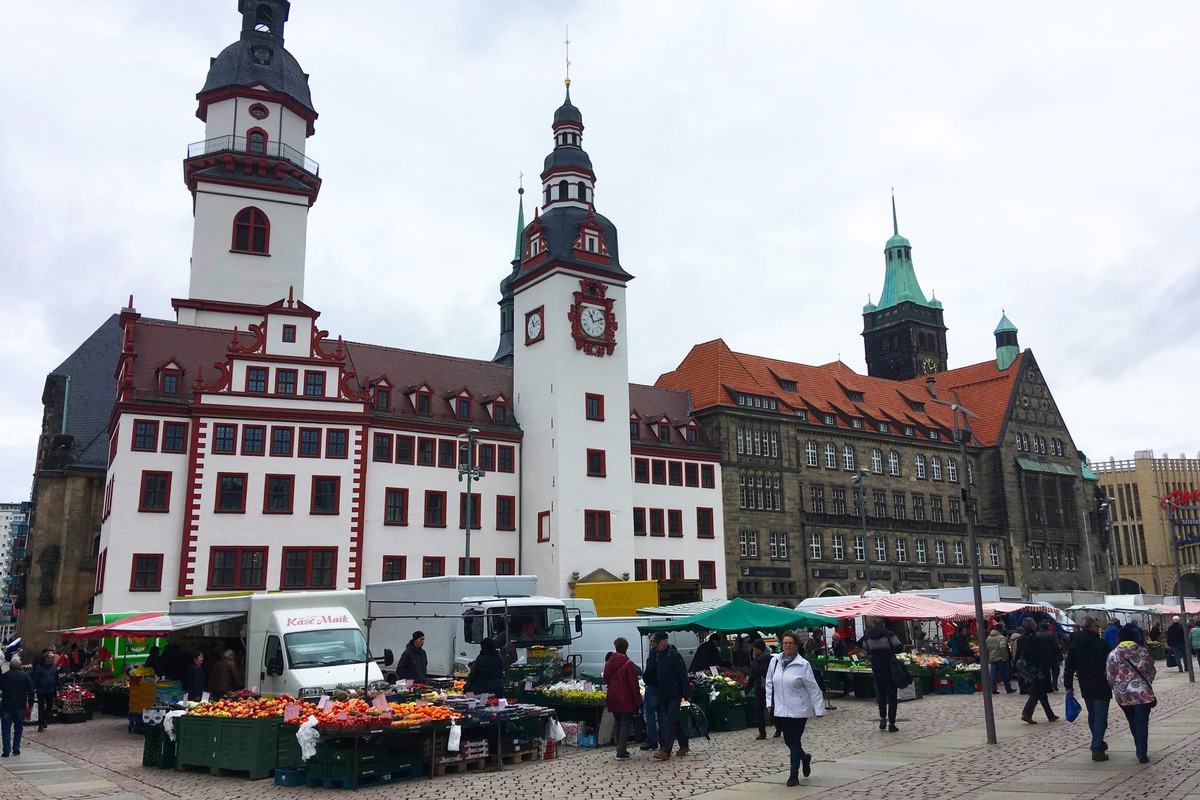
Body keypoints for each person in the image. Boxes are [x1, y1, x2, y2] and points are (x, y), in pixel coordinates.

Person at [765, 630, 826, 786]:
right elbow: (769, 682)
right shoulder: (775, 661)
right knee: (788, 740)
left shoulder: (803, 664)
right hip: (781, 708)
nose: (788, 646)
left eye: (791, 643)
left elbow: (813, 687)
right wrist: (769, 703)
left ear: (796, 646)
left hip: (799, 709)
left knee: (795, 740)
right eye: (785, 643)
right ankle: (805, 758)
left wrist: (819, 709)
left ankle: (793, 775)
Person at [1063, 617, 1113, 761]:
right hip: (1101, 683)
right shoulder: (1102, 644)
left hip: (1085, 684)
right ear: (1092, 627)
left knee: (1093, 715)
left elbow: (1069, 667)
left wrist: (1068, 685)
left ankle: (1099, 742)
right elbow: (1111, 664)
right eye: (1097, 626)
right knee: (1100, 717)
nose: (1099, 628)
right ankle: (1097, 746)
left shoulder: (1074, 644)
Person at [1106, 623, 1157, 764]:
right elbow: (1151, 670)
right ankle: (1142, 752)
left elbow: (1110, 675)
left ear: (1119, 638)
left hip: (1123, 694)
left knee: (1132, 721)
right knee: (1142, 723)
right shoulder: (1142, 652)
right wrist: (1147, 682)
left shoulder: (1113, 654)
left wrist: (1115, 686)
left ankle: (1139, 745)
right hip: (1142, 693)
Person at [648, 631, 691, 761]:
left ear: (664, 641)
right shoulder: (658, 655)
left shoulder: (673, 655)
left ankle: (666, 750)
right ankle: (684, 745)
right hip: (663, 692)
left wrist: (688, 692)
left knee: (670, 721)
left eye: (655, 642)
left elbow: (683, 674)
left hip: (675, 692)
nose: (653, 645)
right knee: (674, 720)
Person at [861, 617, 903, 732]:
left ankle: (883, 718)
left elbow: (865, 647)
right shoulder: (889, 635)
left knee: (881, 695)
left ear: (874, 624)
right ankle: (892, 723)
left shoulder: (868, 637)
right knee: (892, 696)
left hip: (876, 669)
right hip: (889, 668)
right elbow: (899, 646)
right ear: (883, 624)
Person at [602, 637, 640, 760]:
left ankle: (620, 748)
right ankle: (621, 750)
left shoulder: (609, 663)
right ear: (626, 648)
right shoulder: (628, 664)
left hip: (613, 697)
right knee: (625, 724)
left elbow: (606, 679)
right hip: (625, 697)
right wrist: (637, 700)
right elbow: (633, 684)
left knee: (618, 724)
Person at [1020, 619, 1059, 724]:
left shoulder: (1021, 638)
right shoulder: (1035, 638)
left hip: (1026, 669)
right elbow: (1040, 655)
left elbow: (1018, 655)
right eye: (1034, 624)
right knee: (1036, 692)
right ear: (1032, 626)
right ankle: (1027, 714)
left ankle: (1050, 715)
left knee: (1041, 693)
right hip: (1037, 669)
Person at [0, 656, 34, 757]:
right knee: (18, 727)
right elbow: (30, 691)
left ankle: (6, 750)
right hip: (20, 705)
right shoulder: (25, 676)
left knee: (6, 728)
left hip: (6, 705)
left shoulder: (5, 676)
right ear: (20, 666)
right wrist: (30, 704)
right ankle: (16, 748)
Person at [743, 639, 772, 739]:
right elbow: (752, 676)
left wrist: (755, 669)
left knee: (772, 708)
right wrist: (747, 688)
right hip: (759, 687)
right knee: (759, 709)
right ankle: (762, 732)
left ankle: (779, 728)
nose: (754, 650)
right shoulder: (755, 659)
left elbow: (764, 671)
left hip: (769, 686)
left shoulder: (768, 659)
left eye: (756, 648)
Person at [640, 634, 661, 752]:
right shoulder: (668, 652)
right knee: (662, 715)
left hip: (653, 686)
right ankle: (663, 740)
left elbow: (650, 669)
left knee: (650, 714)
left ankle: (652, 740)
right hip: (662, 687)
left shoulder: (654, 653)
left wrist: (646, 679)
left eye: (652, 641)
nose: (651, 643)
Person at [31, 649, 61, 732]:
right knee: (41, 707)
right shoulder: (39, 668)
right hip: (41, 690)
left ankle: (44, 719)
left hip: (50, 690)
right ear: (46, 658)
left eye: (53, 657)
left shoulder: (54, 667)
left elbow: (57, 678)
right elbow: (35, 679)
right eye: (51, 657)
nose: (53, 658)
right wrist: (33, 689)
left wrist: (60, 688)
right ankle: (40, 724)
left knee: (49, 706)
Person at [986, 625, 1015, 693]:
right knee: (1005, 675)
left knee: (993, 675)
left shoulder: (988, 638)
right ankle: (1008, 688)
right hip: (1001, 658)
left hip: (992, 658)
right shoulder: (1001, 638)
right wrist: (1005, 657)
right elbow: (1003, 647)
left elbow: (986, 648)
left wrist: (989, 657)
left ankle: (993, 688)